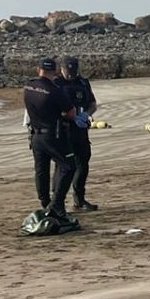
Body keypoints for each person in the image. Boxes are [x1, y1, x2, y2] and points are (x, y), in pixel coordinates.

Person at [22, 57, 79, 225]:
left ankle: (45, 201)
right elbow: (71, 113)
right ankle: (56, 205)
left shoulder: (29, 86)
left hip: (35, 134)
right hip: (52, 135)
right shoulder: (54, 90)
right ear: (54, 72)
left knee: (41, 169)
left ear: (38, 70)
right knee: (68, 166)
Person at [55, 57, 99, 211]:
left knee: (83, 164)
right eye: (68, 71)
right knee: (63, 165)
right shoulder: (56, 84)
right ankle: (57, 201)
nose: (70, 75)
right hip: (63, 130)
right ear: (62, 69)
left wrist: (86, 115)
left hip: (80, 129)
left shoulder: (83, 83)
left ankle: (79, 199)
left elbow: (93, 104)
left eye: (73, 71)